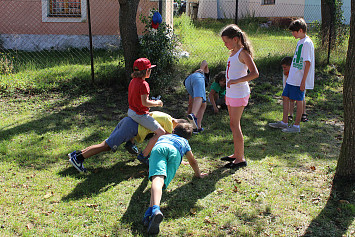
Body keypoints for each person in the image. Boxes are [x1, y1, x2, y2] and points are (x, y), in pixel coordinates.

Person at [142, 123, 208, 235]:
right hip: (176, 153)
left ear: (173, 131)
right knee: (161, 183)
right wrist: (198, 174)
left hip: (159, 149)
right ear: (187, 137)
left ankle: (154, 209)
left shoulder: (164, 136)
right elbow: (193, 161)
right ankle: (151, 212)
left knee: (157, 178)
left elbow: (160, 148)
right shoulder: (185, 143)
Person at [68, 111, 187, 172]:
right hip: (130, 127)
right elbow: (167, 141)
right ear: (176, 126)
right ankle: (78, 158)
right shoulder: (169, 122)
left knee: (107, 142)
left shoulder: (165, 116)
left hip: (128, 122)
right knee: (107, 146)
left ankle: (77, 154)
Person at [219, 24, 259, 169]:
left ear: (235, 39)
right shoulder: (233, 52)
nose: (225, 44)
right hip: (231, 93)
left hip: (239, 93)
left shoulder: (243, 53)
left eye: (226, 41)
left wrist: (236, 81)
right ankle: (236, 154)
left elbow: (255, 73)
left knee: (235, 125)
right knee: (233, 124)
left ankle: (240, 158)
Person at [269, 18, 314, 132]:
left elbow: (308, 63)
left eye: (294, 31)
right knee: (285, 96)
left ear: (300, 30)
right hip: (292, 78)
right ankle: (284, 122)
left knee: (299, 100)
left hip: (299, 79)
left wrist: (303, 81)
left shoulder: (307, 43)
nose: (292, 34)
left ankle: (296, 126)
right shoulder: (300, 42)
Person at [128, 58, 166, 163]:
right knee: (161, 132)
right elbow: (145, 103)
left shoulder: (133, 81)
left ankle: (130, 142)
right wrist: (158, 103)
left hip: (131, 111)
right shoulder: (144, 84)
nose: (151, 71)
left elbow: (138, 100)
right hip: (139, 114)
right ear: (146, 71)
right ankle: (144, 155)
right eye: (150, 69)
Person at [184, 60, 209, 133]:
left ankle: (197, 127)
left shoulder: (194, 79)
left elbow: (190, 103)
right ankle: (194, 115)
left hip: (187, 80)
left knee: (203, 104)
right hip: (198, 77)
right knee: (200, 98)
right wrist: (202, 68)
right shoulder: (205, 74)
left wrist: (187, 119)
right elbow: (205, 62)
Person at [281, 56, 308, 123]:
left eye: (285, 67)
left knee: (301, 99)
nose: (283, 69)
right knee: (291, 100)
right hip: (290, 86)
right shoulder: (285, 72)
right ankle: (291, 115)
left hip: (298, 86)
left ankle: (303, 114)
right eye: (283, 67)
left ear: (291, 66)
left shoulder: (296, 72)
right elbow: (285, 81)